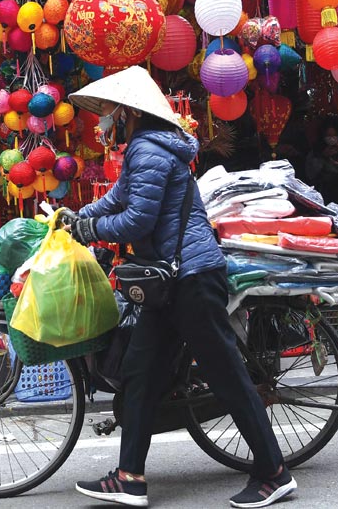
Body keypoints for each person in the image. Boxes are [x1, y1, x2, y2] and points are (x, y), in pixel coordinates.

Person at [65, 66, 296, 509]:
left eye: (110, 110)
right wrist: (78, 216)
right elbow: (119, 198)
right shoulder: (144, 148)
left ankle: (274, 473)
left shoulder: (148, 149)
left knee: (226, 375)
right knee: (140, 373)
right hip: (168, 282)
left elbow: (137, 220)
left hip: (191, 277)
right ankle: (130, 477)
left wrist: (89, 229)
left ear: (130, 112)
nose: (104, 118)